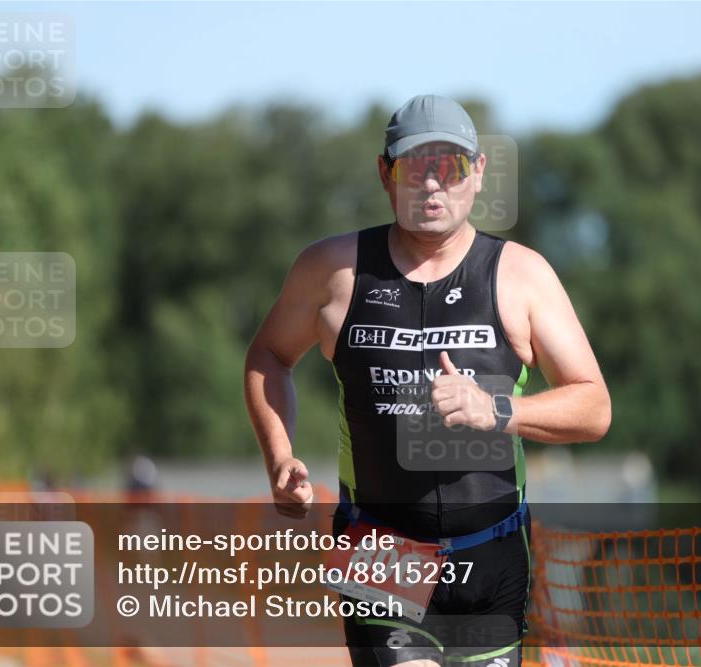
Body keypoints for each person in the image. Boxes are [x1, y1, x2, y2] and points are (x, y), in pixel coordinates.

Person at [244, 94, 611, 667]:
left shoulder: (522, 275)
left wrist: (498, 410)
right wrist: (279, 457)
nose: (433, 184)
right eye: (416, 166)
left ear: (479, 173)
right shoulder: (333, 271)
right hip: (381, 547)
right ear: (385, 174)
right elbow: (268, 354)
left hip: (493, 553)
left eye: (450, 165)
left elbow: (594, 408)